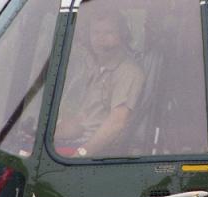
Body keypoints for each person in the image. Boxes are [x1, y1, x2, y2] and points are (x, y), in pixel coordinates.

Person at [54, 7, 144, 157]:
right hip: (79, 141)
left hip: (96, 152)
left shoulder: (129, 72)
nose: (100, 38)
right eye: (95, 32)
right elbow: (83, 120)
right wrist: (51, 134)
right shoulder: (97, 70)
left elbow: (117, 122)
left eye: (108, 32)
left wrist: (81, 154)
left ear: (122, 35)